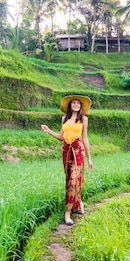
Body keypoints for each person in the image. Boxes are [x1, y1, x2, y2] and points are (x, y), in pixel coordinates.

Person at [41, 95, 93, 226]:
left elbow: (85, 138)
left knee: (74, 181)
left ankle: (68, 212)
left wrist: (89, 158)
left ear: (81, 106)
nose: (75, 105)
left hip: (78, 151)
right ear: (70, 105)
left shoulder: (84, 119)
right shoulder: (64, 118)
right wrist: (48, 131)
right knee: (69, 178)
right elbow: (61, 137)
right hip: (66, 152)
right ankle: (78, 202)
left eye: (78, 103)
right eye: (73, 103)